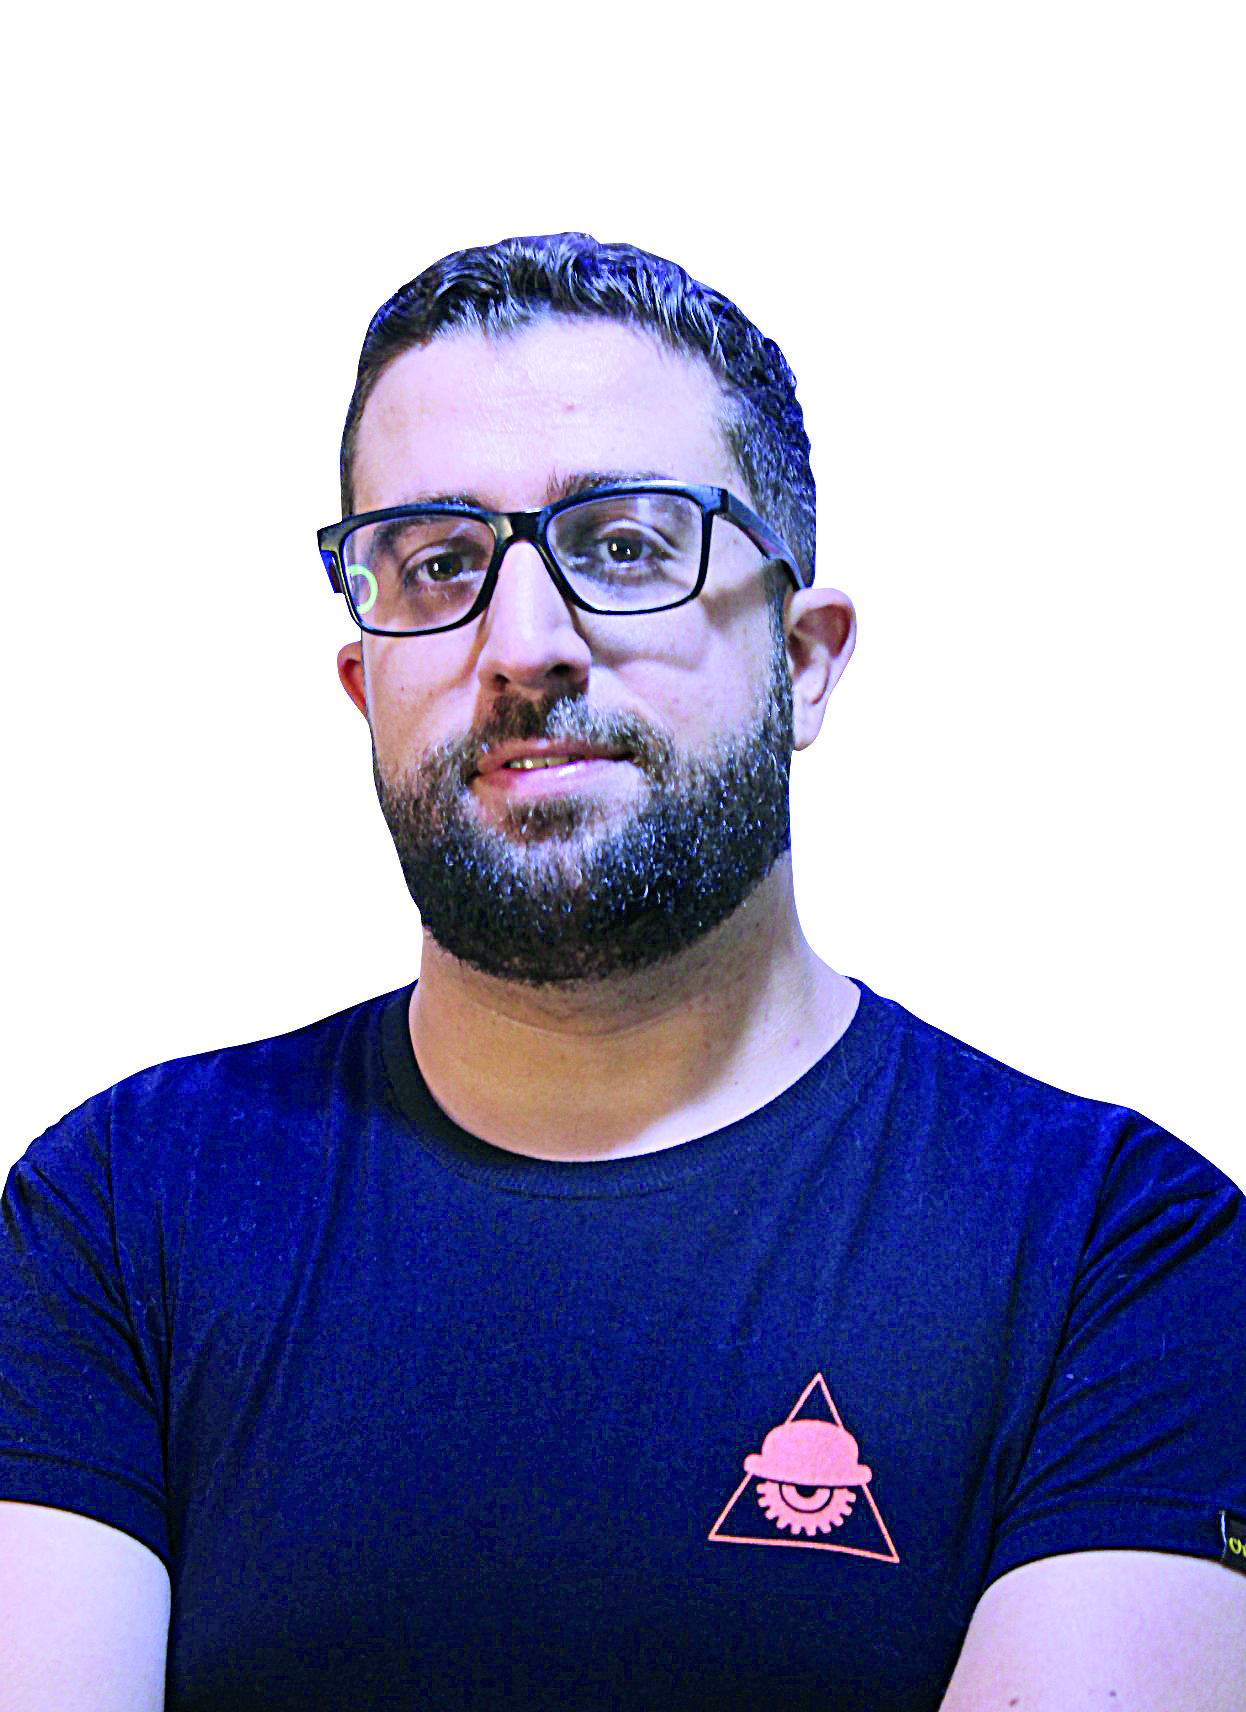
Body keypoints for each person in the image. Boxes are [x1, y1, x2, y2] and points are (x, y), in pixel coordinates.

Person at [1, 233, 1243, 1712]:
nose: (523, 645)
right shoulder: (118, 1213)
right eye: (438, 564)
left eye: (627, 546)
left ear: (805, 661)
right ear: (362, 686)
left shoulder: (1120, 1255)